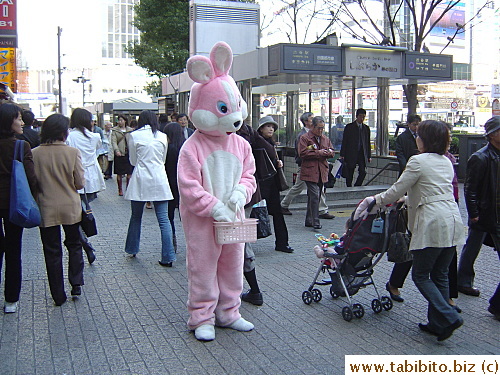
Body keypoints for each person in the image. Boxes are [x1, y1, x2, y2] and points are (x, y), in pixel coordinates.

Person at [357, 120, 464, 341]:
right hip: (451, 219)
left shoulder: (417, 161)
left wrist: (374, 200)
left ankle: (448, 315)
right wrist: (408, 199)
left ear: (425, 139)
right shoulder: (445, 161)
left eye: (419, 135)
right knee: (440, 275)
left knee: (421, 275)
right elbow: (429, 189)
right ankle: (438, 324)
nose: (416, 138)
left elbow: (396, 189)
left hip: (432, 223)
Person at [32, 114, 85, 306]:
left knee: (52, 251)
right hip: (70, 206)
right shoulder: (72, 152)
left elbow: (33, 183)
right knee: (74, 244)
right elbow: (79, 183)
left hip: (45, 207)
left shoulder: (34, 153)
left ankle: (57, 294)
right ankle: (76, 282)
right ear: (64, 132)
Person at [457, 116, 500, 320]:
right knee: (472, 246)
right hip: (484, 214)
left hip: (497, 214)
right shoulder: (480, 157)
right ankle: (463, 280)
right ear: (491, 135)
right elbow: (470, 189)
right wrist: (473, 213)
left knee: (473, 246)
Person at [124, 110, 176, 268]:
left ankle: (132, 249)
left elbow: (133, 161)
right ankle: (168, 257)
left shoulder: (133, 136)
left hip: (140, 179)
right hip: (159, 179)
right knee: (164, 219)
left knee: (136, 217)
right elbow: (163, 159)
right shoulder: (162, 136)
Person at [0, 103, 37, 313]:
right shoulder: (20, 146)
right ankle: (11, 299)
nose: (22, 123)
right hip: (14, 205)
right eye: (18, 118)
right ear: (8, 121)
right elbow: (31, 179)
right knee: (14, 250)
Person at [386, 114, 421, 302]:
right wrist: (378, 200)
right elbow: (397, 190)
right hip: (418, 213)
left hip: (441, 219)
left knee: (442, 260)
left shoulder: (443, 162)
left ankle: (448, 298)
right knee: (413, 252)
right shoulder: (416, 161)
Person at [67, 108, 106, 265]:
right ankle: (85, 243)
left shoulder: (70, 136)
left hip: (75, 176)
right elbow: (97, 150)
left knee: (76, 215)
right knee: (83, 211)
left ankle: (85, 243)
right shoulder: (95, 136)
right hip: (92, 177)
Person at [280, 112, 333, 220]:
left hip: (319, 167)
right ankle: (284, 205)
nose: (313, 121)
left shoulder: (321, 137)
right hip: (306, 166)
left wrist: (324, 152)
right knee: (298, 187)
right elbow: (303, 152)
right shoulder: (303, 136)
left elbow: (330, 150)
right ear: (306, 122)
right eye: (311, 119)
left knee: (318, 189)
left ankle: (322, 209)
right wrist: (319, 152)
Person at [236, 121, 264, 305]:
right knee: (241, 241)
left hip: (239, 197)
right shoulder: (249, 134)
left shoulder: (239, 139)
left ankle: (254, 291)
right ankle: (253, 290)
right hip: (246, 196)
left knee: (240, 243)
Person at [256, 116, 294, 253]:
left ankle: (282, 243)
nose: (271, 129)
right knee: (251, 214)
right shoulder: (256, 141)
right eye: (268, 126)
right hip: (259, 184)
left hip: (271, 184)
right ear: (260, 129)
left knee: (277, 213)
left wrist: (278, 163)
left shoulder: (271, 143)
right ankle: (241, 244)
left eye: (273, 127)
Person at [298, 116, 335, 230]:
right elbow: (303, 153)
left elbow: (332, 151)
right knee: (314, 195)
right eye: (318, 128)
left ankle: (309, 219)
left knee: (315, 196)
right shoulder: (305, 138)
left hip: (321, 171)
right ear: (312, 126)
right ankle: (316, 221)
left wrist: (328, 152)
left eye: (322, 128)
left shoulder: (325, 139)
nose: (320, 131)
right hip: (310, 171)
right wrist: (319, 153)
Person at [163, 122, 184, 251]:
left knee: (169, 216)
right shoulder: (185, 148)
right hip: (184, 187)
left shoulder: (168, 149)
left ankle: (172, 241)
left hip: (170, 186)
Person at [340, 108, 371, 187]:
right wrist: (342, 154)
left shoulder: (366, 128)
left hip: (362, 153)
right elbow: (345, 141)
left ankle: (357, 186)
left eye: (363, 117)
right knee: (350, 171)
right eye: (360, 116)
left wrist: (369, 156)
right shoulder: (349, 127)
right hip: (351, 153)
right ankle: (349, 187)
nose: (362, 119)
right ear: (356, 116)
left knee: (363, 172)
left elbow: (367, 143)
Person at [111, 115, 133, 196]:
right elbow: (113, 141)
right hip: (120, 153)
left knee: (129, 172)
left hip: (128, 153)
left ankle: (128, 188)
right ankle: (120, 189)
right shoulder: (114, 130)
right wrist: (116, 150)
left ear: (125, 121)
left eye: (121, 120)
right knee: (119, 173)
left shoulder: (130, 130)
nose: (120, 122)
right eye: (118, 120)